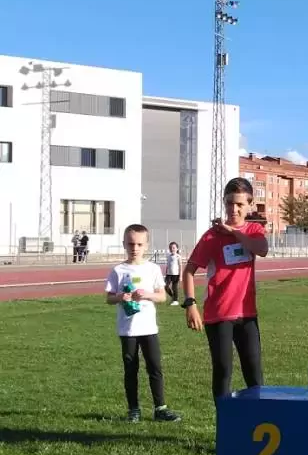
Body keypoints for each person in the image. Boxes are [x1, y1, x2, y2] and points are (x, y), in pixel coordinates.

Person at [182, 177, 269, 401]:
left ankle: (257, 423)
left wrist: (232, 231)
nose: (234, 208)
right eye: (229, 203)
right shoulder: (212, 236)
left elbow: (261, 249)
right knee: (223, 372)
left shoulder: (254, 230)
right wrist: (190, 304)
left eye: (240, 204)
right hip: (218, 315)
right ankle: (224, 425)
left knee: (254, 373)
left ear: (250, 205)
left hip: (247, 314)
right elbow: (189, 271)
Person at [105, 224, 181, 423]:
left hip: (148, 328)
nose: (135, 248)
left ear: (146, 245)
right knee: (131, 369)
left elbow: (162, 296)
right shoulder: (118, 270)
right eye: (131, 243)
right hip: (127, 329)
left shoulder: (152, 269)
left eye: (139, 244)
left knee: (154, 367)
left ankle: (160, 408)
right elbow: (109, 298)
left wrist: (147, 295)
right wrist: (121, 296)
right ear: (124, 244)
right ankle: (133, 409)